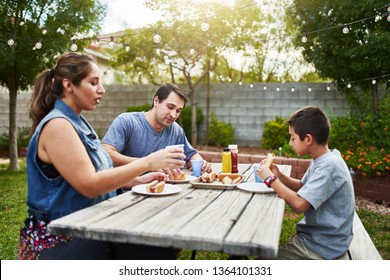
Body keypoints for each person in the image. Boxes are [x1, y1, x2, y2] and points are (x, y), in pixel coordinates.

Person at [18, 52, 185, 260]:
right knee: (152, 249)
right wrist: (148, 162)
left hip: (89, 225)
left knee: (159, 242)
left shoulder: (79, 122)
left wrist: (136, 181)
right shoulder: (58, 126)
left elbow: (98, 174)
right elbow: (89, 185)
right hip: (58, 240)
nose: (102, 89)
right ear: (69, 85)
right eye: (93, 82)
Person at [257, 106, 355, 260]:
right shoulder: (323, 159)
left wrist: (270, 180)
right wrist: (279, 175)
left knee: (262, 263)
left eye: (293, 138)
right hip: (322, 240)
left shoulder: (328, 166)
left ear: (308, 139)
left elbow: (299, 204)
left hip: (322, 247)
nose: (290, 143)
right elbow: (303, 187)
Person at [101, 83, 212, 180]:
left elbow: (191, 155)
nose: (173, 115)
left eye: (178, 111)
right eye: (170, 107)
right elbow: (106, 153)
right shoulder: (127, 121)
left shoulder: (176, 130)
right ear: (156, 101)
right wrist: (148, 165)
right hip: (126, 192)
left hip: (165, 191)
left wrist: (201, 164)